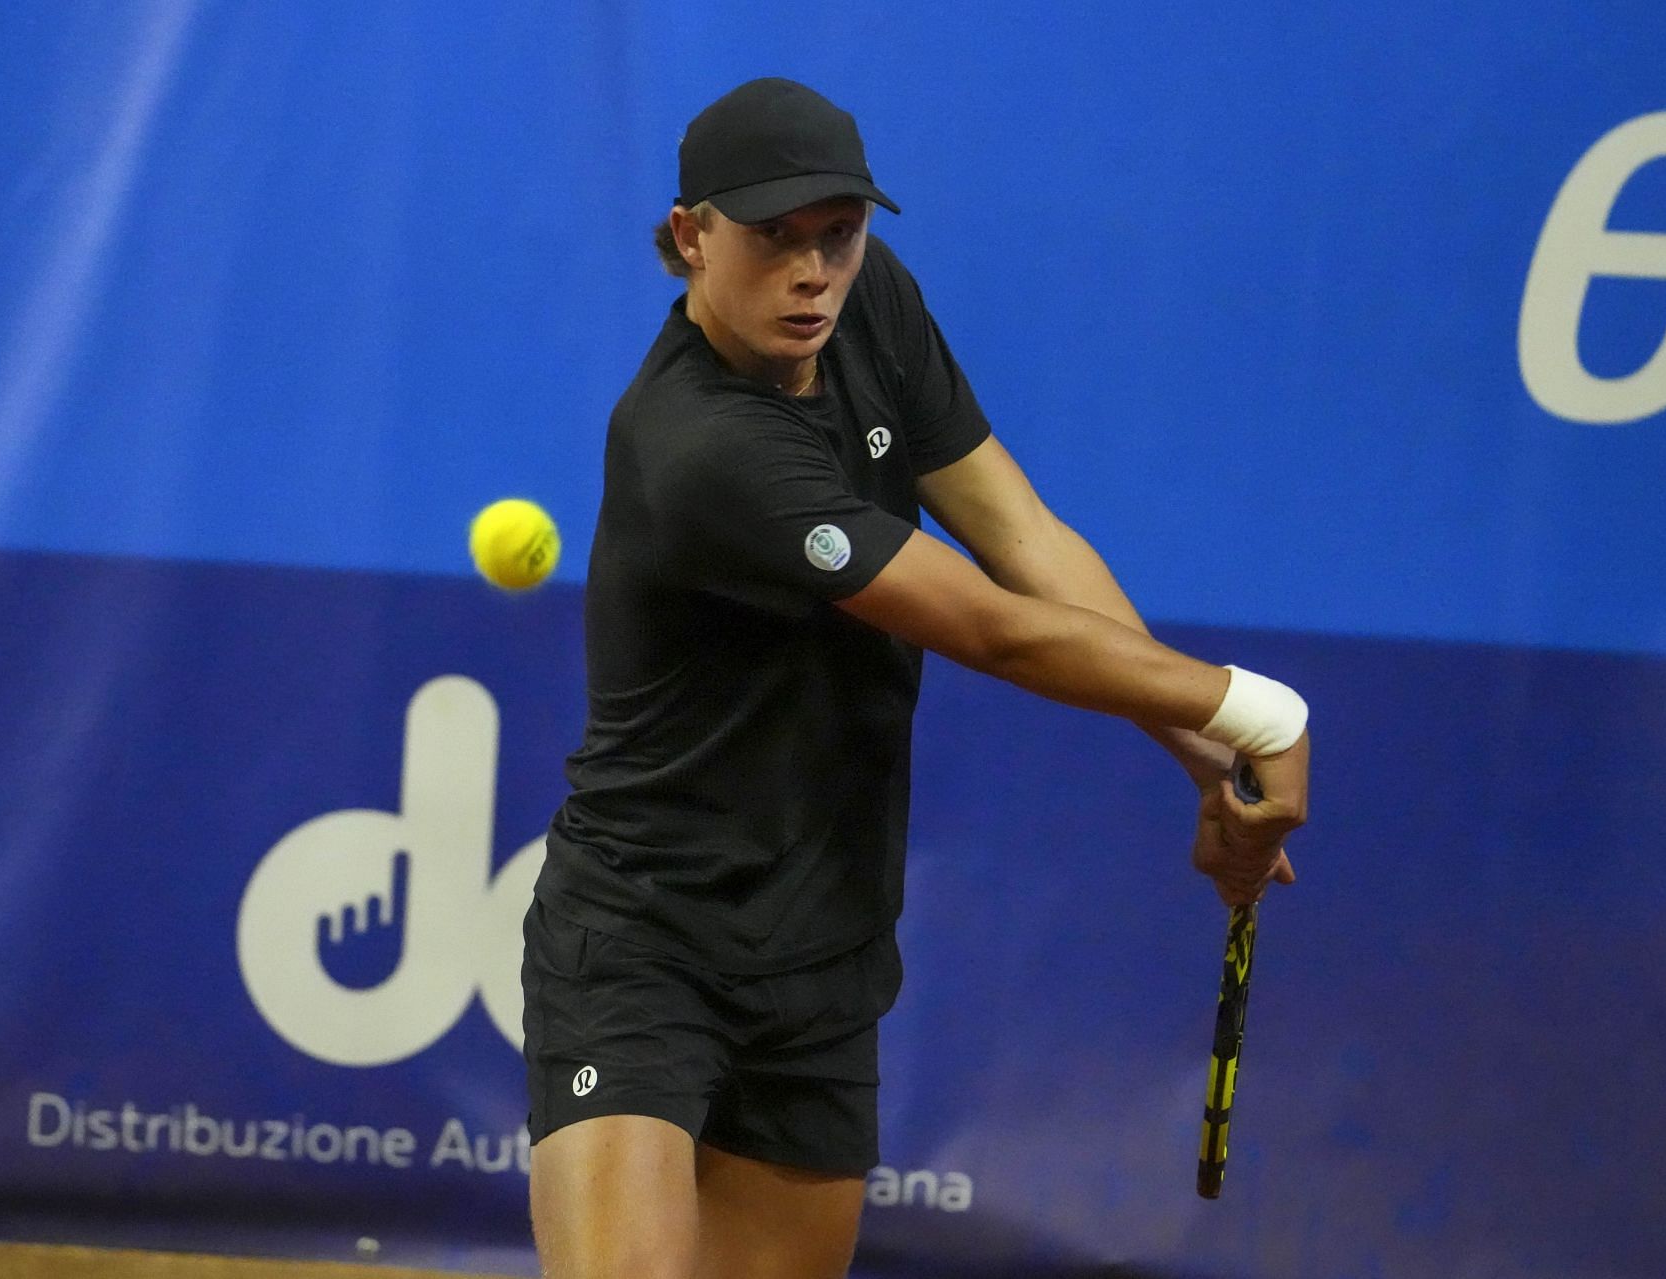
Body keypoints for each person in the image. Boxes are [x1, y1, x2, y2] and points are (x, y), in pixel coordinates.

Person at [520, 77, 1310, 1279]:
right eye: (775, 237)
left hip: (824, 948)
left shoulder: (866, 306)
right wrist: (1260, 711)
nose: (813, 272)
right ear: (691, 236)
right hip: (644, 940)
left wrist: (1214, 767)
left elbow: (1026, 539)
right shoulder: (702, 445)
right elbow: (994, 628)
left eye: (837, 235)